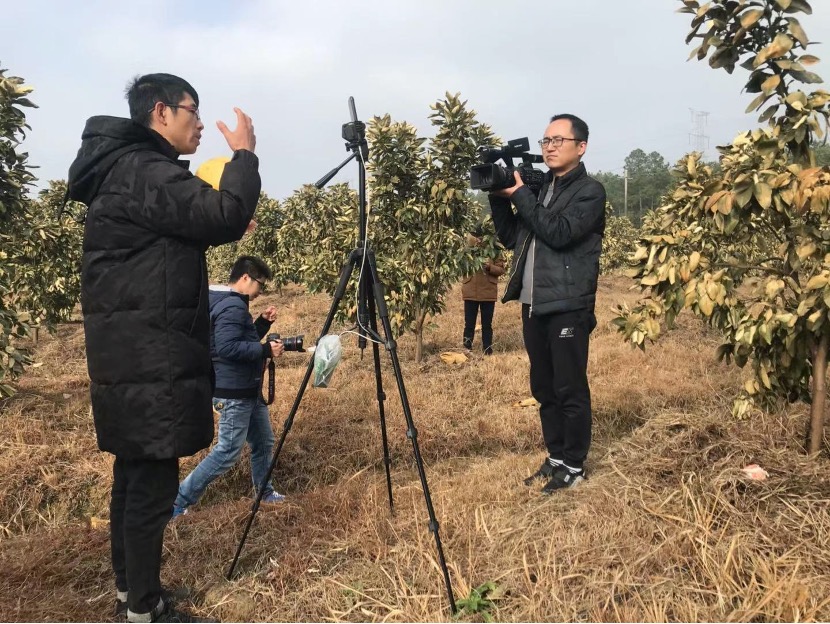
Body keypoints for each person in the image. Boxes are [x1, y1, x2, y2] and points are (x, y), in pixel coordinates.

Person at [66, 73, 260, 623]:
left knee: (133, 479)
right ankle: (145, 609)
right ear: (161, 112)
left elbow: (192, 226)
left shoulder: (125, 172)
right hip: (152, 357)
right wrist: (244, 155)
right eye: (193, 111)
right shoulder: (144, 170)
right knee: (150, 488)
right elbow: (224, 215)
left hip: (132, 355)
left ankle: (130, 594)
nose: (199, 124)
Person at [489, 113, 606, 494]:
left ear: (581, 147)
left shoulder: (590, 192)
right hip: (533, 303)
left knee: (569, 387)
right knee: (544, 387)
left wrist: (520, 195)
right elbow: (512, 238)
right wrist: (499, 197)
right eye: (546, 141)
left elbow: (558, 233)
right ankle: (556, 456)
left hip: (567, 304)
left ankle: (574, 465)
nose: (550, 147)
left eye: (558, 140)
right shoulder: (540, 191)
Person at [173, 256, 285, 519]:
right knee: (227, 452)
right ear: (245, 277)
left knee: (263, 441)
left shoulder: (227, 302)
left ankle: (264, 492)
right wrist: (265, 350)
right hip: (235, 392)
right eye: (260, 284)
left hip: (247, 389)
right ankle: (178, 501)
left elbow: (235, 339)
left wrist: (261, 324)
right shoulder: (232, 306)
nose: (260, 291)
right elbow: (226, 348)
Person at [461, 232, 505, 355]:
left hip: (488, 291)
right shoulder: (467, 248)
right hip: (471, 290)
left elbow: (501, 269)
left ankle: (487, 349)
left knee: (487, 324)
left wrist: (490, 267)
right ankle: (467, 348)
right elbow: (459, 265)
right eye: (477, 236)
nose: (479, 239)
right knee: (469, 323)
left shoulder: (494, 248)